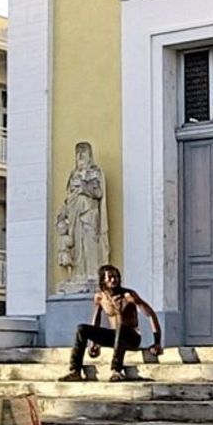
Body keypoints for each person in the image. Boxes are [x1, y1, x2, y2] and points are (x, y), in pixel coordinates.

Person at [58, 265, 163, 382]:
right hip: (115, 337)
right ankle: (75, 371)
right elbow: (96, 318)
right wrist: (93, 343)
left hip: (131, 337)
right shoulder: (100, 297)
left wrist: (157, 343)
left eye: (116, 277)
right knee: (82, 329)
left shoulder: (128, 295)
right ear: (103, 280)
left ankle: (116, 370)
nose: (114, 280)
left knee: (121, 327)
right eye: (111, 277)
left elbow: (150, 314)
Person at [58, 141, 110, 288]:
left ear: (89, 155)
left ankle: (93, 273)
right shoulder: (73, 174)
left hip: (89, 214)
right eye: (78, 153)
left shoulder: (95, 172)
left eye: (83, 153)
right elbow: (69, 196)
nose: (80, 156)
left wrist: (83, 186)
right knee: (77, 245)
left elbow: (98, 192)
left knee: (90, 242)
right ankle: (77, 276)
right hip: (74, 215)